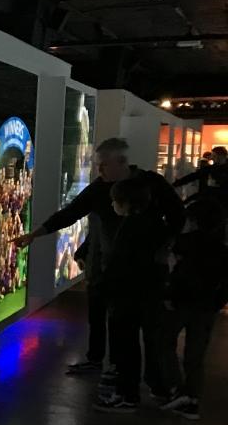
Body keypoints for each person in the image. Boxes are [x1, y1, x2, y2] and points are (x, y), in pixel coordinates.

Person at [17, 137, 184, 374]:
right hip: (107, 266)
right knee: (103, 317)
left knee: (136, 326)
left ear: (121, 162)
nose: (99, 170)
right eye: (98, 165)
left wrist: (164, 247)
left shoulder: (152, 184)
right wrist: (36, 234)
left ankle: (136, 375)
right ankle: (106, 365)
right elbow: (71, 213)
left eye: (103, 165)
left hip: (143, 271)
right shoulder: (99, 188)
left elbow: (177, 216)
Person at [93, 177, 171, 413]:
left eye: (115, 201)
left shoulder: (130, 227)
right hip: (147, 295)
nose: (112, 205)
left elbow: (120, 263)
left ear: (126, 203)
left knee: (125, 348)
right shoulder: (155, 224)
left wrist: (104, 287)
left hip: (126, 297)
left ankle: (127, 395)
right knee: (139, 345)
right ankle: (144, 389)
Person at [158, 197, 228, 420]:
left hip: (180, 304)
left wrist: (168, 296)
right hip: (206, 307)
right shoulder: (222, 249)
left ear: (194, 221)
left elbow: (175, 273)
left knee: (164, 342)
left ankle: (176, 389)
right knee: (196, 355)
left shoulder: (183, 243)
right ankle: (192, 399)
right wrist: (217, 303)